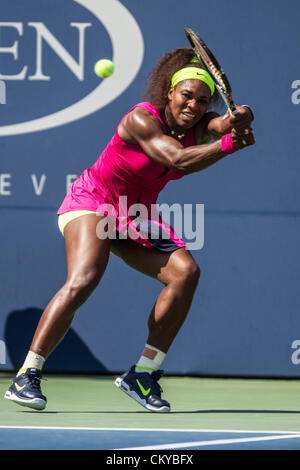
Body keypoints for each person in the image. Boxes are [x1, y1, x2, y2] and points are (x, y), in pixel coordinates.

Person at [5, 47, 255, 413]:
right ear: (169, 92)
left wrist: (239, 118)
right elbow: (177, 159)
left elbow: (220, 125)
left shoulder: (201, 123)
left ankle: (143, 374)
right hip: (92, 200)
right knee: (85, 277)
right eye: (186, 95)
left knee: (186, 273)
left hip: (134, 215)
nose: (194, 105)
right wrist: (231, 143)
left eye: (202, 101)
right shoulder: (141, 120)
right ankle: (27, 374)